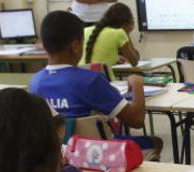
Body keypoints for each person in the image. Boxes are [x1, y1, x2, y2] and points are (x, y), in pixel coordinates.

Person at [30, 11, 162, 160]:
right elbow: (136, 120)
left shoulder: (35, 82)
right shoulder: (90, 80)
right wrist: (137, 84)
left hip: (59, 157)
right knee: (155, 142)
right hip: (99, 154)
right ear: (75, 45)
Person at [80, 2, 141, 80]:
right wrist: (127, 33)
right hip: (104, 82)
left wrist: (115, 57)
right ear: (126, 22)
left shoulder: (85, 30)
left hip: (81, 79)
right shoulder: (119, 33)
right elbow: (134, 61)